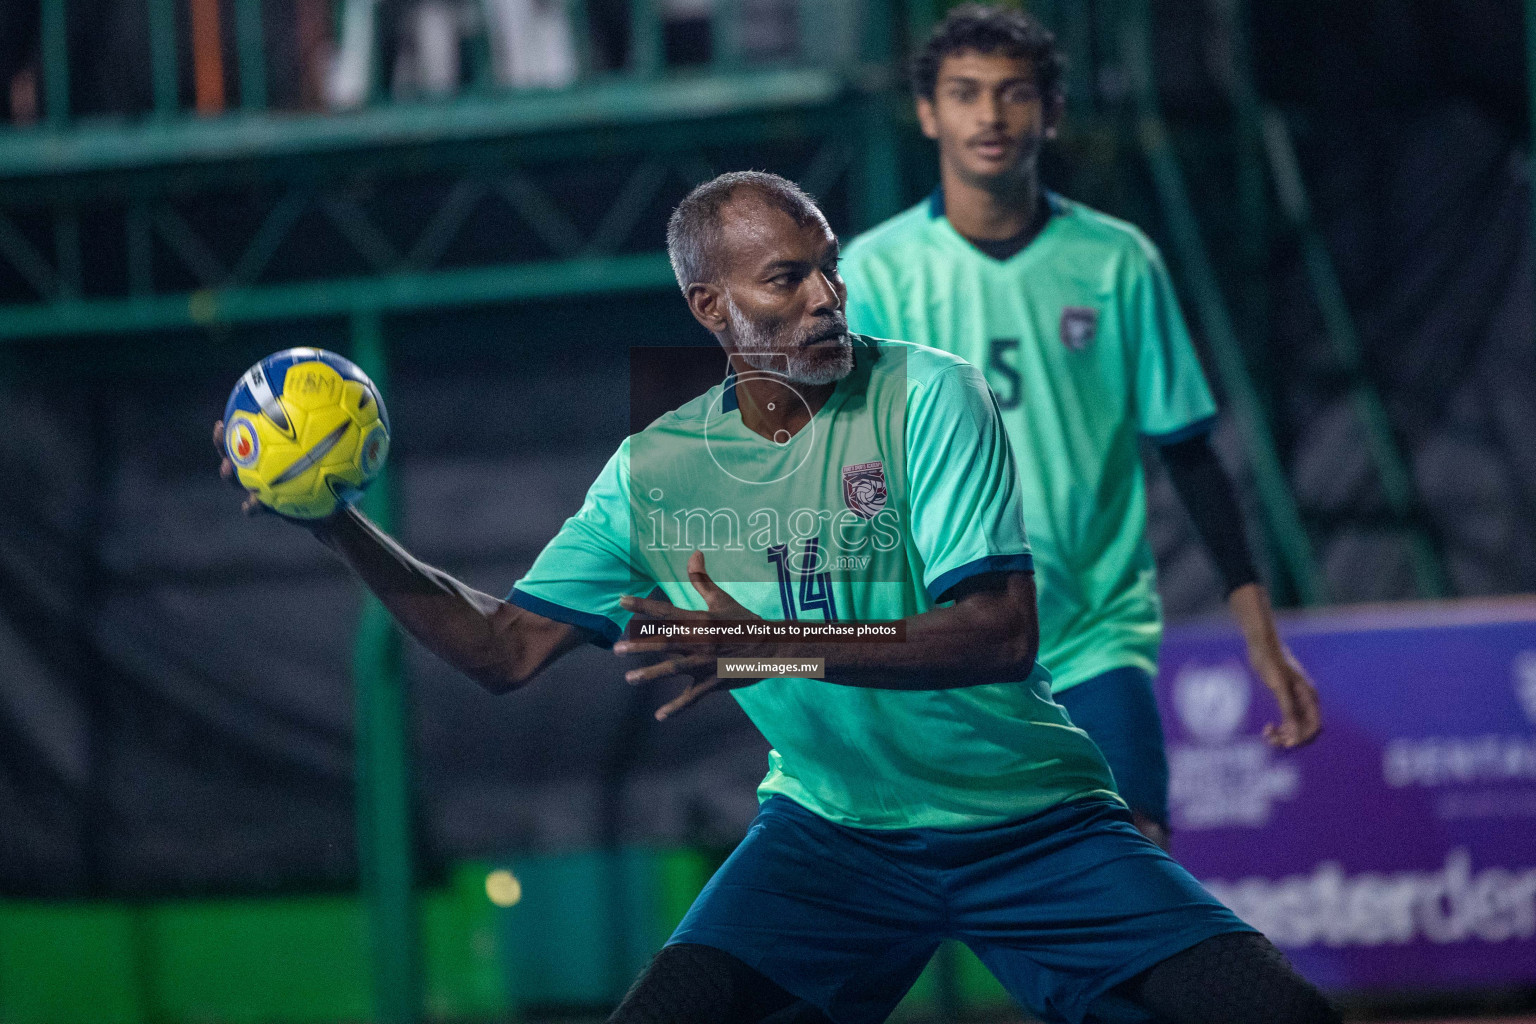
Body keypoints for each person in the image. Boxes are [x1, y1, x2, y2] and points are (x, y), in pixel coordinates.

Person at [216, 172, 1337, 1024]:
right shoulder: (655, 472)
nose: (825, 298)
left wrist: (772, 644)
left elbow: (998, 634)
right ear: (712, 307)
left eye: (828, 266)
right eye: (785, 279)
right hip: (831, 841)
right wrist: (336, 525)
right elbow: (502, 648)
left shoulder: (929, 397)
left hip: (1033, 826)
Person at [839, 4, 1322, 849]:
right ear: (928, 114)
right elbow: (845, 472)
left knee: (1135, 867)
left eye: (1013, 93)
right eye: (964, 94)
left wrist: (1264, 640)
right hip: (952, 644)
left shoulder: (1117, 260)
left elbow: (1190, 456)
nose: (989, 115)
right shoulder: (875, 272)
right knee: (929, 888)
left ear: (1050, 111)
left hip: (1095, 639)